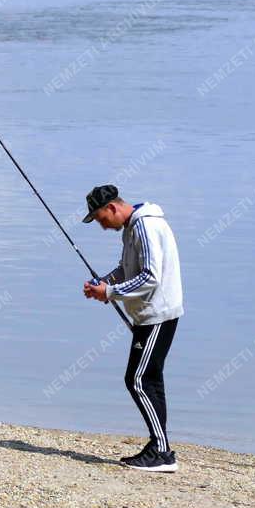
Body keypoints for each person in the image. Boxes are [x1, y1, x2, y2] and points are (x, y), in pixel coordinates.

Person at [82, 184, 183, 472]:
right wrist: (103, 283)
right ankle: (160, 448)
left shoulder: (145, 226)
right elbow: (127, 269)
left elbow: (150, 276)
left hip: (157, 315)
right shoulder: (132, 228)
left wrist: (111, 293)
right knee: (149, 380)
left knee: (137, 381)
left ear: (112, 207)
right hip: (149, 316)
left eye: (101, 219)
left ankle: (162, 452)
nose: (102, 226)